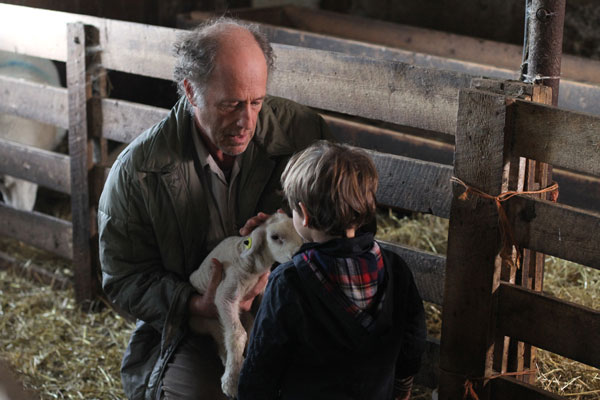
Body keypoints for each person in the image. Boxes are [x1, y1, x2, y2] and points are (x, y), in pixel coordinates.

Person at [97, 18, 331, 400]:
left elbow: (351, 224)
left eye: (256, 102)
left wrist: (298, 238)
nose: (246, 121)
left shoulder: (303, 136)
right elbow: (123, 278)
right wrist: (195, 303)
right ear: (191, 92)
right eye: (230, 105)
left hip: (291, 314)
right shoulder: (139, 171)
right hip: (195, 329)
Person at [238, 141, 427, 400]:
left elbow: (262, 364)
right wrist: (403, 387)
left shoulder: (290, 282)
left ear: (303, 214)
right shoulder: (396, 269)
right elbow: (413, 340)